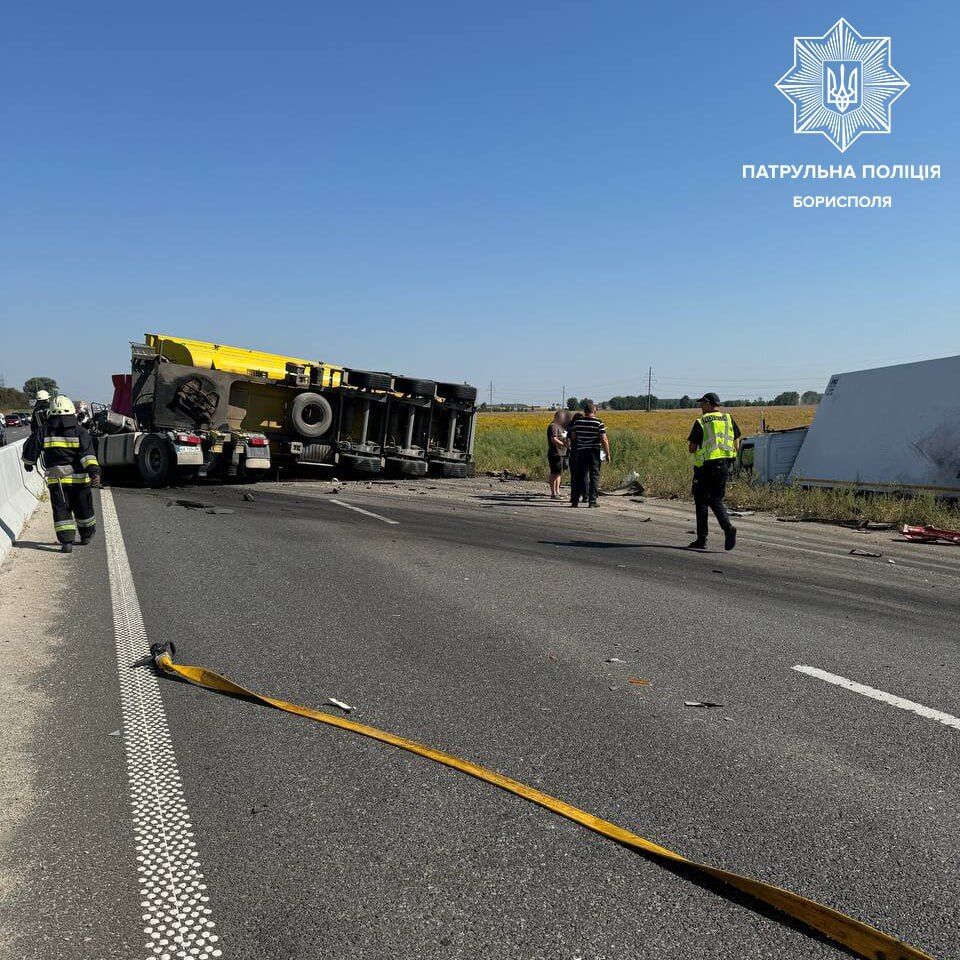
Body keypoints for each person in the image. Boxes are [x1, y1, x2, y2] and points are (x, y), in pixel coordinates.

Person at [22, 395, 101, 553]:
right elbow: (88, 454)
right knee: (84, 508)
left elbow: (31, 448)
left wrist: (29, 463)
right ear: (72, 412)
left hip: (57, 480)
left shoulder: (44, 430)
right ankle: (86, 535)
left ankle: (67, 543)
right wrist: (94, 473)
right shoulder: (80, 431)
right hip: (80, 480)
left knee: (61, 510)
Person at [687, 392, 740, 550]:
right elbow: (736, 444)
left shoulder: (702, 421)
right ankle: (720, 530)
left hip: (705, 467)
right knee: (715, 498)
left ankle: (706, 536)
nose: (700, 407)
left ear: (709, 404)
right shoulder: (728, 419)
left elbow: (692, 448)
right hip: (724, 465)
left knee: (702, 500)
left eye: (702, 404)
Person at [567, 400, 611, 507]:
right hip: (594, 452)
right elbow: (604, 439)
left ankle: (575, 501)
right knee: (594, 475)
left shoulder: (577, 423)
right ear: (594, 411)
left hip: (581, 452)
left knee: (580, 475)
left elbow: (573, 437)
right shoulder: (598, 422)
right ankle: (592, 501)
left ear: (585, 411)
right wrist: (607, 453)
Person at [546, 410, 569, 499]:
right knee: (554, 472)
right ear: (557, 417)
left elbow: (564, 436)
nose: (563, 420)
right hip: (555, 453)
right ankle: (553, 493)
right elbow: (554, 439)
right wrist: (564, 444)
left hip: (561, 453)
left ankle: (557, 491)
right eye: (562, 418)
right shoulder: (553, 426)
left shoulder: (560, 427)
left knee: (559, 473)